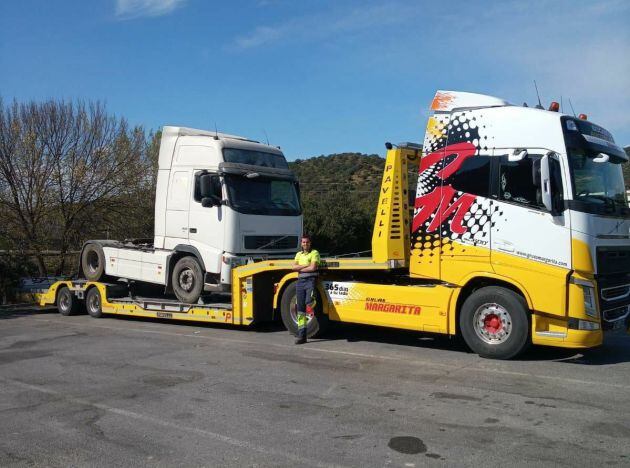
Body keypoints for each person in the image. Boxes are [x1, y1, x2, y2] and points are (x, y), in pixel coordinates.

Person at [292, 234, 320, 344]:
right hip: (300, 282)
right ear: (301, 244)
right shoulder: (298, 254)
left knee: (309, 302)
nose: (305, 244)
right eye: (303, 242)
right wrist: (306, 265)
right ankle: (302, 336)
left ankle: (315, 307)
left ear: (310, 243)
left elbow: (313, 267)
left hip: (310, 280)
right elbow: (293, 267)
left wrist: (300, 267)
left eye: (307, 242)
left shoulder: (314, 253)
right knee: (300, 310)